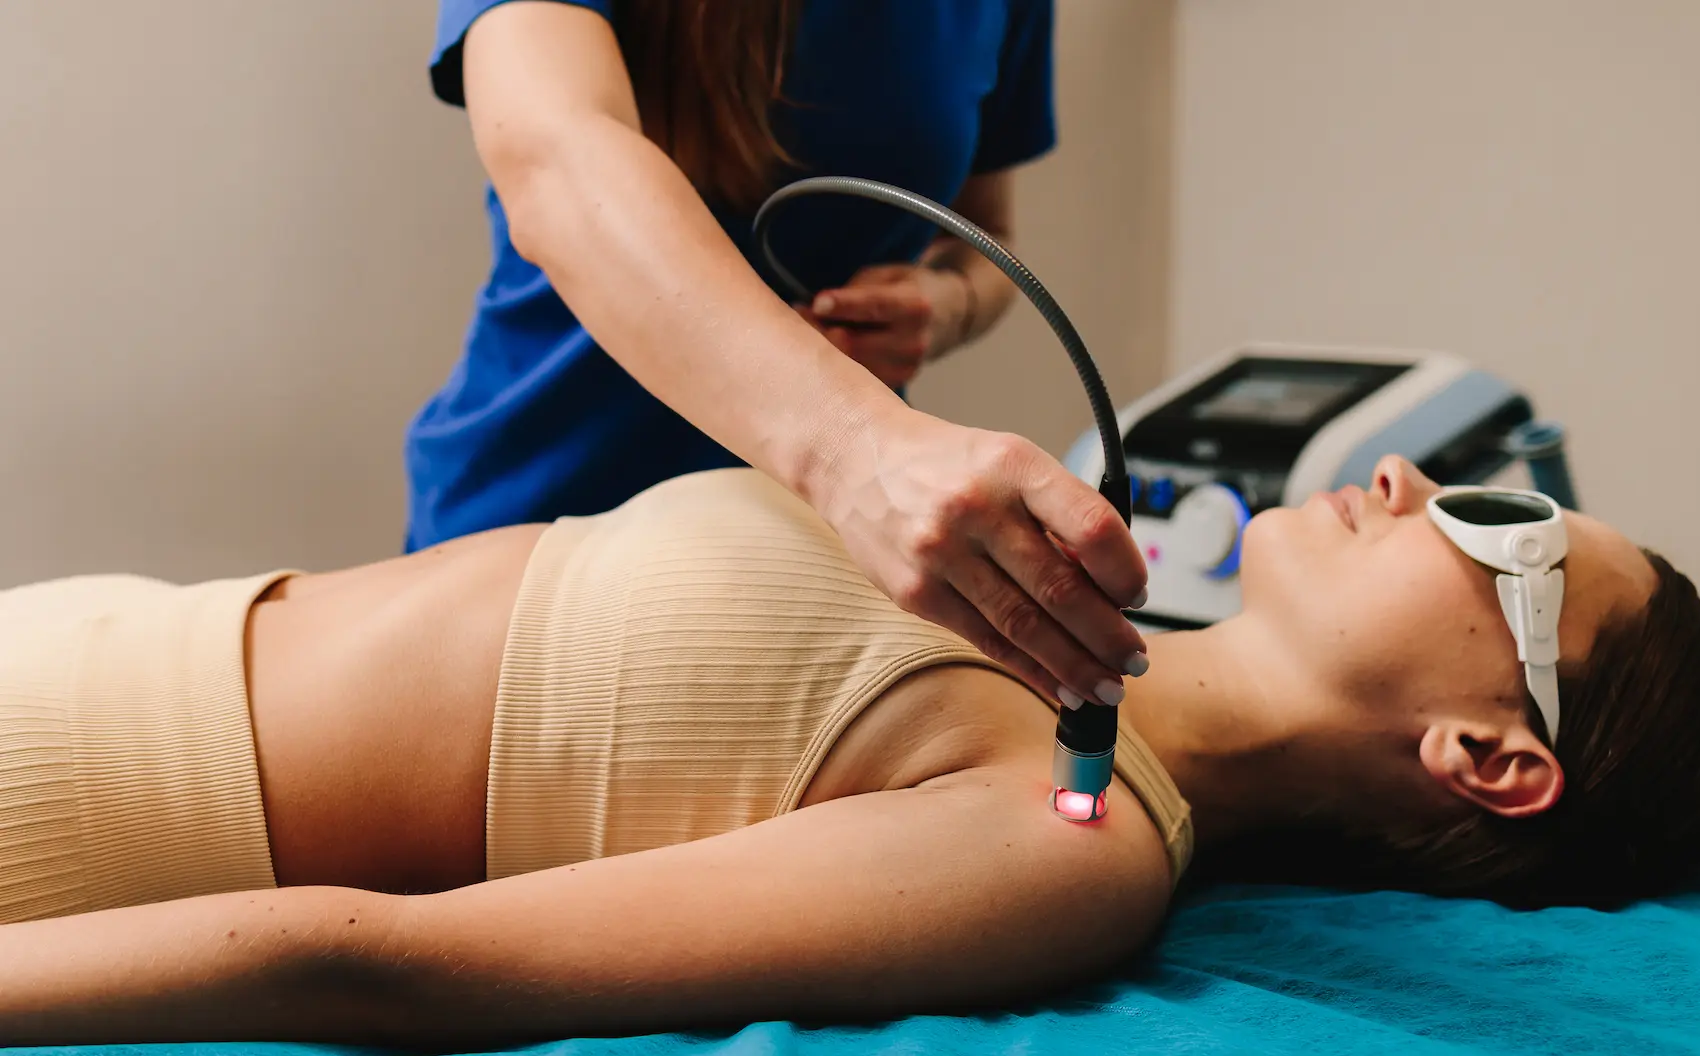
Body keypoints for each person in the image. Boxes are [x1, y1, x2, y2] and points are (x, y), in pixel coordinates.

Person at [0, 458, 1700, 1047]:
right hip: (77, 629)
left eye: (1496, 529)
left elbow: (376, 957)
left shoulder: (1067, 838)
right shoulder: (1009, 559)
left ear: (1488, 757)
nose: (1407, 483)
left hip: (65, 821)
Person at [407, 0, 1152, 713]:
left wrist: (945, 303)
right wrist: (856, 450)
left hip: (804, 582)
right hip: (538, 533)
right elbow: (554, 157)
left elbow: (986, 237)